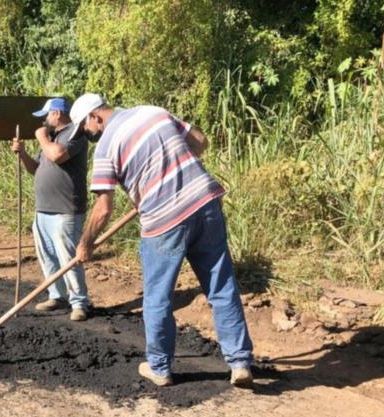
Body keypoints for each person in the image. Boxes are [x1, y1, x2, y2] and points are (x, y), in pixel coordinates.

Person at [70, 93, 254, 386]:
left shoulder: (106, 147)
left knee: (157, 295)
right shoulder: (152, 111)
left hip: (164, 219)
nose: (88, 134)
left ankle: (159, 367)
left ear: (95, 116)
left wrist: (86, 243)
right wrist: (169, 171)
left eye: (85, 128)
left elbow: (103, 209)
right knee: (221, 286)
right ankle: (240, 362)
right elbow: (200, 141)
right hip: (204, 202)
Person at [11, 97, 91, 321]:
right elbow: (35, 169)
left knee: (68, 258)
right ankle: (57, 295)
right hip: (43, 209)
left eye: (46, 115)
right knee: (47, 256)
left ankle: (79, 303)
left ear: (57, 113)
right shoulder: (52, 137)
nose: (44, 120)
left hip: (66, 209)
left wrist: (41, 137)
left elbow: (56, 155)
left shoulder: (76, 134)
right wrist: (23, 154)